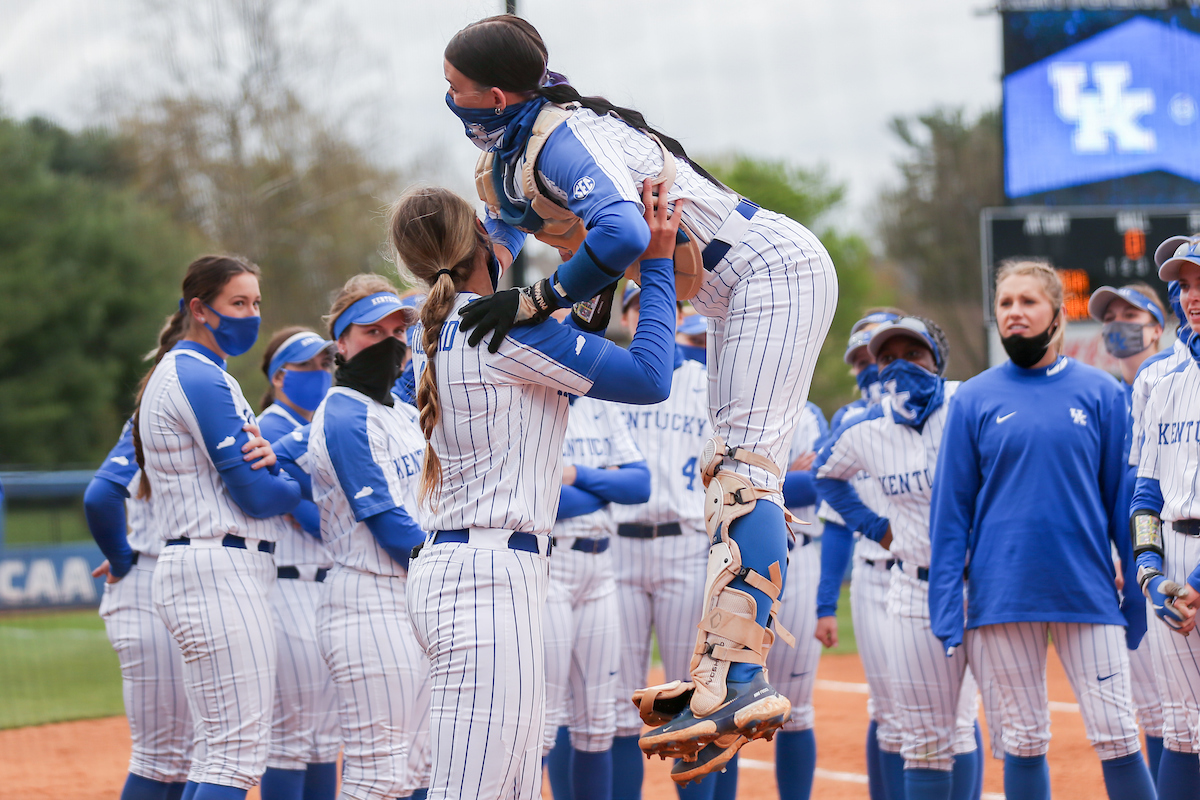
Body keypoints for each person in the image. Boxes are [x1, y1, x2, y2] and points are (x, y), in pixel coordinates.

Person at [441, 15, 839, 773]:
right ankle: (722, 671)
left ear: (494, 94)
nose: (448, 98)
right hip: (730, 288)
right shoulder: (512, 152)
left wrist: (533, 303)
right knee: (725, 468)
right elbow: (494, 246)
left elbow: (623, 236)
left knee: (743, 467)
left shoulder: (559, 137)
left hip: (770, 270)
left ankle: (741, 675)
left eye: (455, 87)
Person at [389, 182, 679, 800]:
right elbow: (653, 377)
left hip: (486, 569)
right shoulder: (498, 328)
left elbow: (506, 239)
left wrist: (534, 215)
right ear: (476, 250)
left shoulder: (447, 319)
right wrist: (654, 268)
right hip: (484, 577)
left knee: (514, 786)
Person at [928, 261, 1154, 800]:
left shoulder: (1102, 393)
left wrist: (1139, 597)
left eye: (1028, 302)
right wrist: (943, 603)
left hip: (1088, 593)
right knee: (1025, 742)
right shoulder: (974, 399)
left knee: (1119, 736)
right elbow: (951, 511)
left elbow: (1121, 503)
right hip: (1001, 599)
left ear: (1058, 313)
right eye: (1006, 304)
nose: (1015, 313)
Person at [134, 255, 303, 800]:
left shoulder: (191, 372)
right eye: (238, 302)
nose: (251, 314)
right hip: (217, 566)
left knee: (217, 752)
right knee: (234, 757)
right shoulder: (199, 375)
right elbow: (258, 496)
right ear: (200, 309)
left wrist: (272, 471)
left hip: (205, 565)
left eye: (256, 303)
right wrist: (289, 480)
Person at [816, 317, 982, 800]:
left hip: (978, 583)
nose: (897, 368)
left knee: (979, 724)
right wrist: (876, 528)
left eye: (913, 355)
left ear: (936, 357)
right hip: (900, 579)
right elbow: (826, 483)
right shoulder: (861, 424)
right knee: (908, 729)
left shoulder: (969, 404)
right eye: (884, 360)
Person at [306, 274, 432, 800]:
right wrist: (451, 567)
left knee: (423, 767)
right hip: (369, 600)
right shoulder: (341, 414)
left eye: (395, 330)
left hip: (411, 595)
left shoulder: (400, 412)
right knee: (378, 774)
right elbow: (387, 523)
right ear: (341, 343)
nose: (387, 341)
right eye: (370, 332)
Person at [607, 283, 722, 800]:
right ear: (629, 318)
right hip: (617, 548)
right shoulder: (606, 374)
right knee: (614, 700)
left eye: (665, 307)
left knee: (689, 697)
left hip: (682, 545)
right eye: (638, 307)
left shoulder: (705, 382)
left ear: (676, 316)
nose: (652, 316)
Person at [812, 310, 909, 800]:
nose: (871, 369)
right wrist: (827, 603)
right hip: (873, 573)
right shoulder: (848, 423)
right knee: (887, 711)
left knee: (948, 711)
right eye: (862, 360)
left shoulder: (940, 409)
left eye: (881, 356)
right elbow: (834, 520)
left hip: (932, 573)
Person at [542, 389, 650, 800]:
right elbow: (545, 497)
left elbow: (640, 485)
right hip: (551, 563)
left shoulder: (600, 404)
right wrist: (606, 485)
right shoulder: (526, 396)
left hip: (601, 568)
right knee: (544, 722)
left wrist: (579, 475)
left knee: (597, 722)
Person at [253, 328, 340, 800]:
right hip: (288, 585)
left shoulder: (323, 423)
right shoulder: (268, 427)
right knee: (291, 740)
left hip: (327, 585)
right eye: (309, 366)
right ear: (281, 375)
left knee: (325, 741)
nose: (321, 373)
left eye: (326, 364)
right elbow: (316, 518)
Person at [85, 420, 192, 800]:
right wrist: (119, 557)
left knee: (188, 757)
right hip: (150, 575)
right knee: (163, 758)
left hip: (185, 582)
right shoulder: (152, 416)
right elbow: (100, 497)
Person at [1088, 282, 1170, 777]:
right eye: (1110, 316)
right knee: (1157, 714)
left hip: (1179, 561)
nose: (1119, 324)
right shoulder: (1105, 402)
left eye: (1131, 314)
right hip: (1128, 582)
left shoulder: (1179, 386)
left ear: (1158, 328)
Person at [1130, 236, 1200, 798]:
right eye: (1185, 284)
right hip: (1174, 557)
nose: (1193, 296)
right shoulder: (1161, 382)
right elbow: (1144, 492)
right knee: (1183, 730)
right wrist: (1150, 571)